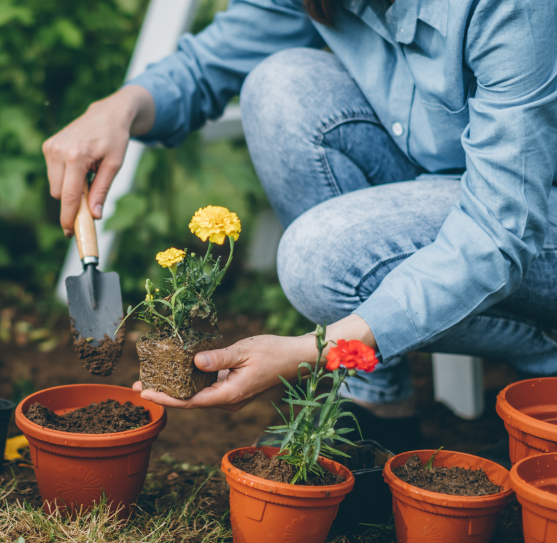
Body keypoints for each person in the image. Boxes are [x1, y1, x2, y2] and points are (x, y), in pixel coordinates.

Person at [42, 0, 557, 452]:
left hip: (528, 219)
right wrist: (121, 108)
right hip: (444, 184)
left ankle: (546, 353)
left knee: (320, 258)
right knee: (280, 85)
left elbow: (499, 231)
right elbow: (213, 62)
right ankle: (375, 403)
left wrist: (313, 352)